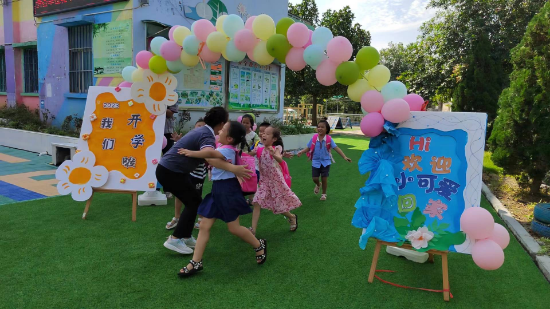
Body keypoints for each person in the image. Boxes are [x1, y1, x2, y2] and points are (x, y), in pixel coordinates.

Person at [176, 121, 267, 277]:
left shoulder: (229, 150)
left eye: (223, 130)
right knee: (204, 225)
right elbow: (211, 156)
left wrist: (191, 152)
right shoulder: (224, 147)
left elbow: (211, 157)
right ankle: (195, 262)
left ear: (230, 138)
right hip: (218, 190)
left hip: (228, 191)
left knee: (234, 228)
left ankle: (259, 245)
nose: (219, 132)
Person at [159, 107, 252, 255]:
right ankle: (175, 238)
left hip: (172, 170)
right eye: (226, 124)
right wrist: (233, 168)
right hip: (171, 172)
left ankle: (186, 235)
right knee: (193, 202)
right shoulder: (207, 135)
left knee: (194, 201)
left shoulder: (204, 131)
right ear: (221, 124)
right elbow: (209, 157)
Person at [251, 126, 301, 234]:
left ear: (274, 139)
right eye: (263, 133)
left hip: (276, 182)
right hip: (264, 182)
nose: (263, 135)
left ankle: (292, 217)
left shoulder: (277, 148)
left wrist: (273, 154)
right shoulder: (259, 148)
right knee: (256, 202)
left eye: (267, 134)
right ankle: (253, 229)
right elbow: (248, 154)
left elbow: (280, 159)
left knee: (278, 205)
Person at [165, 118, 207, 230]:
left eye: (203, 126)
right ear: (194, 127)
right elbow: (179, 151)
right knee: (179, 195)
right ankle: (177, 218)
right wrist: (178, 141)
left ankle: (200, 219)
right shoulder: (189, 139)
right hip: (185, 172)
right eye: (199, 126)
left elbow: (204, 157)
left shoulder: (205, 142)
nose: (201, 128)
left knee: (197, 196)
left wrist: (191, 153)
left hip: (198, 175)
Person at [297, 120, 352, 200]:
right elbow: (308, 147)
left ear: (327, 129)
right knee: (315, 178)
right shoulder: (314, 138)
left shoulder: (329, 139)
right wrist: (302, 152)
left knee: (324, 178)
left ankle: (323, 194)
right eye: (318, 127)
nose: (320, 128)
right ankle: (318, 184)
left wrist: (344, 157)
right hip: (315, 161)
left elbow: (336, 148)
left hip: (326, 162)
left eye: (322, 127)